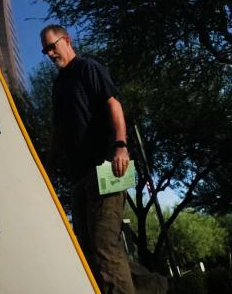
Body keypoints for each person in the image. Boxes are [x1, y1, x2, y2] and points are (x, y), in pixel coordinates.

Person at [42, 24, 135, 294]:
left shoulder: (88, 68)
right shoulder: (58, 86)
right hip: (78, 177)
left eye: (52, 46)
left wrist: (120, 145)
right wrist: (45, 171)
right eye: (45, 50)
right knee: (90, 251)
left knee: (105, 246)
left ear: (67, 40)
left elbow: (113, 105)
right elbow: (58, 131)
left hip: (106, 168)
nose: (49, 53)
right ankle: (154, 285)